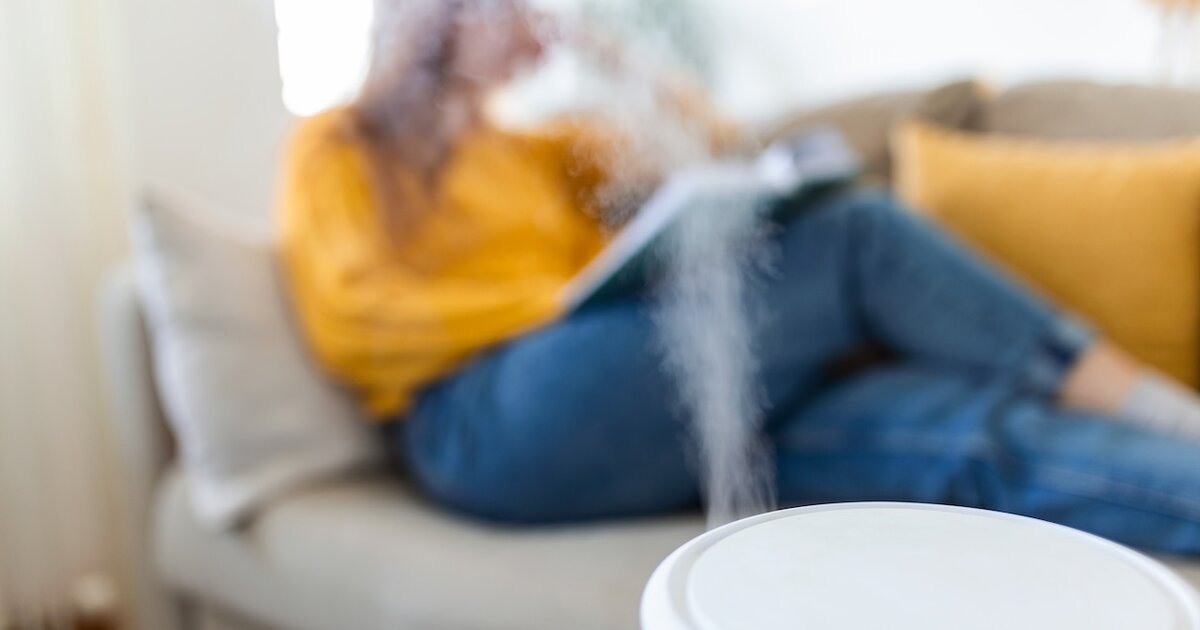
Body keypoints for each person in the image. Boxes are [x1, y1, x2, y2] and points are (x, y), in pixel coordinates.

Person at [280, 0, 1200, 553]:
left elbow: (718, 144)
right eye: (510, 6)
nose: (530, 26)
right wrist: (560, 304)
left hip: (625, 401)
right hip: (484, 424)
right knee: (857, 235)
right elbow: (356, 318)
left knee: (955, 433)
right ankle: (1153, 399)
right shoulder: (341, 144)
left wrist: (608, 49)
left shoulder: (534, 149)